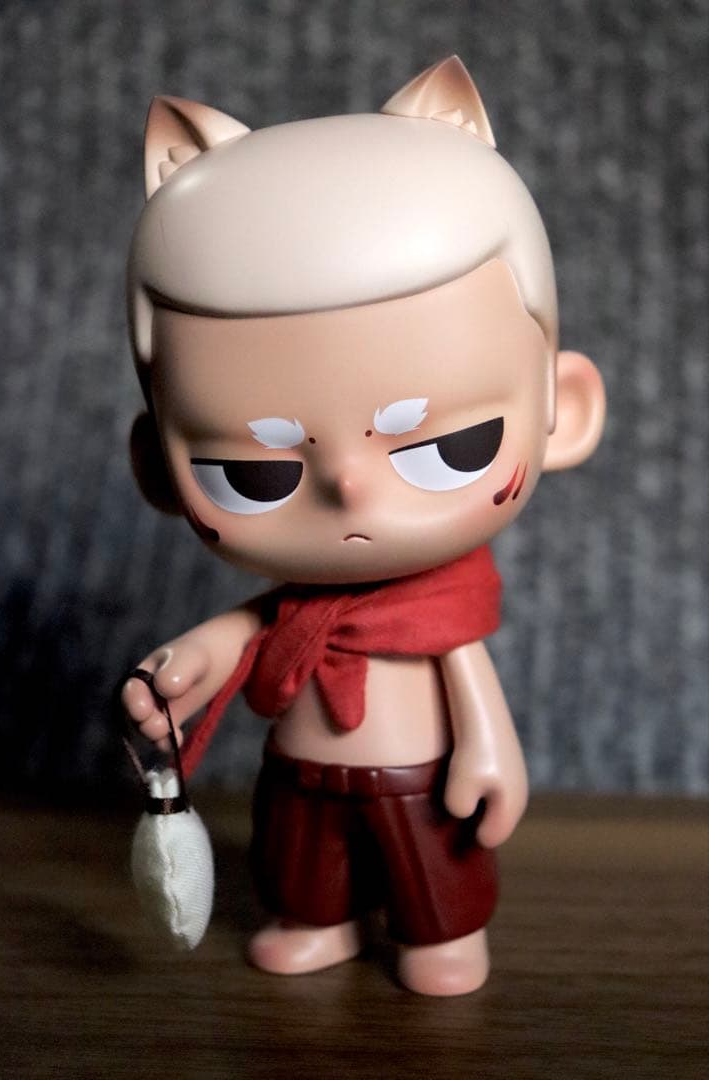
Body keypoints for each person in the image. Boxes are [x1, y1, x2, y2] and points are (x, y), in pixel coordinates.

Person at [121, 56, 605, 995]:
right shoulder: (289, 609)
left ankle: (441, 934)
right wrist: (181, 671)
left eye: (449, 447)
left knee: (435, 869)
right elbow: (244, 641)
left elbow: (464, 671)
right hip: (302, 772)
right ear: (157, 469)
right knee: (303, 862)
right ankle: (318, 918)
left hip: (419, 774)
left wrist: (491, 749)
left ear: (565, 411)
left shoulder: (436, 618)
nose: (347, 490)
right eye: (254, 471)